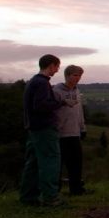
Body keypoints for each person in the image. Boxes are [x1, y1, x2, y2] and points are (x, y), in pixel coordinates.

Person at [19, 54, 66, 206]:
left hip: (33, 128)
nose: (57, 70)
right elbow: (41, 106)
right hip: (44, 128)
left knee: (32, 163)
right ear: (51, 65)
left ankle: (28, 196)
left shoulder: (33, 81)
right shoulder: (42, 83)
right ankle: (50, 197)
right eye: (57, 66)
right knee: (50, 161)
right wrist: (60, 102)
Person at [53, 65, 89, 195]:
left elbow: (79, 111)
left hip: (74, 132)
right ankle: (54, 191)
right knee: (58, 164)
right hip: (60, 133)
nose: (78, 78)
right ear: (67, 76)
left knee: (76, 163)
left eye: (79, 75)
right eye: (75, 75)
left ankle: (76, 189)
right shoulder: (56, 91)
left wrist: (82, 128)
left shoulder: (77, 91)